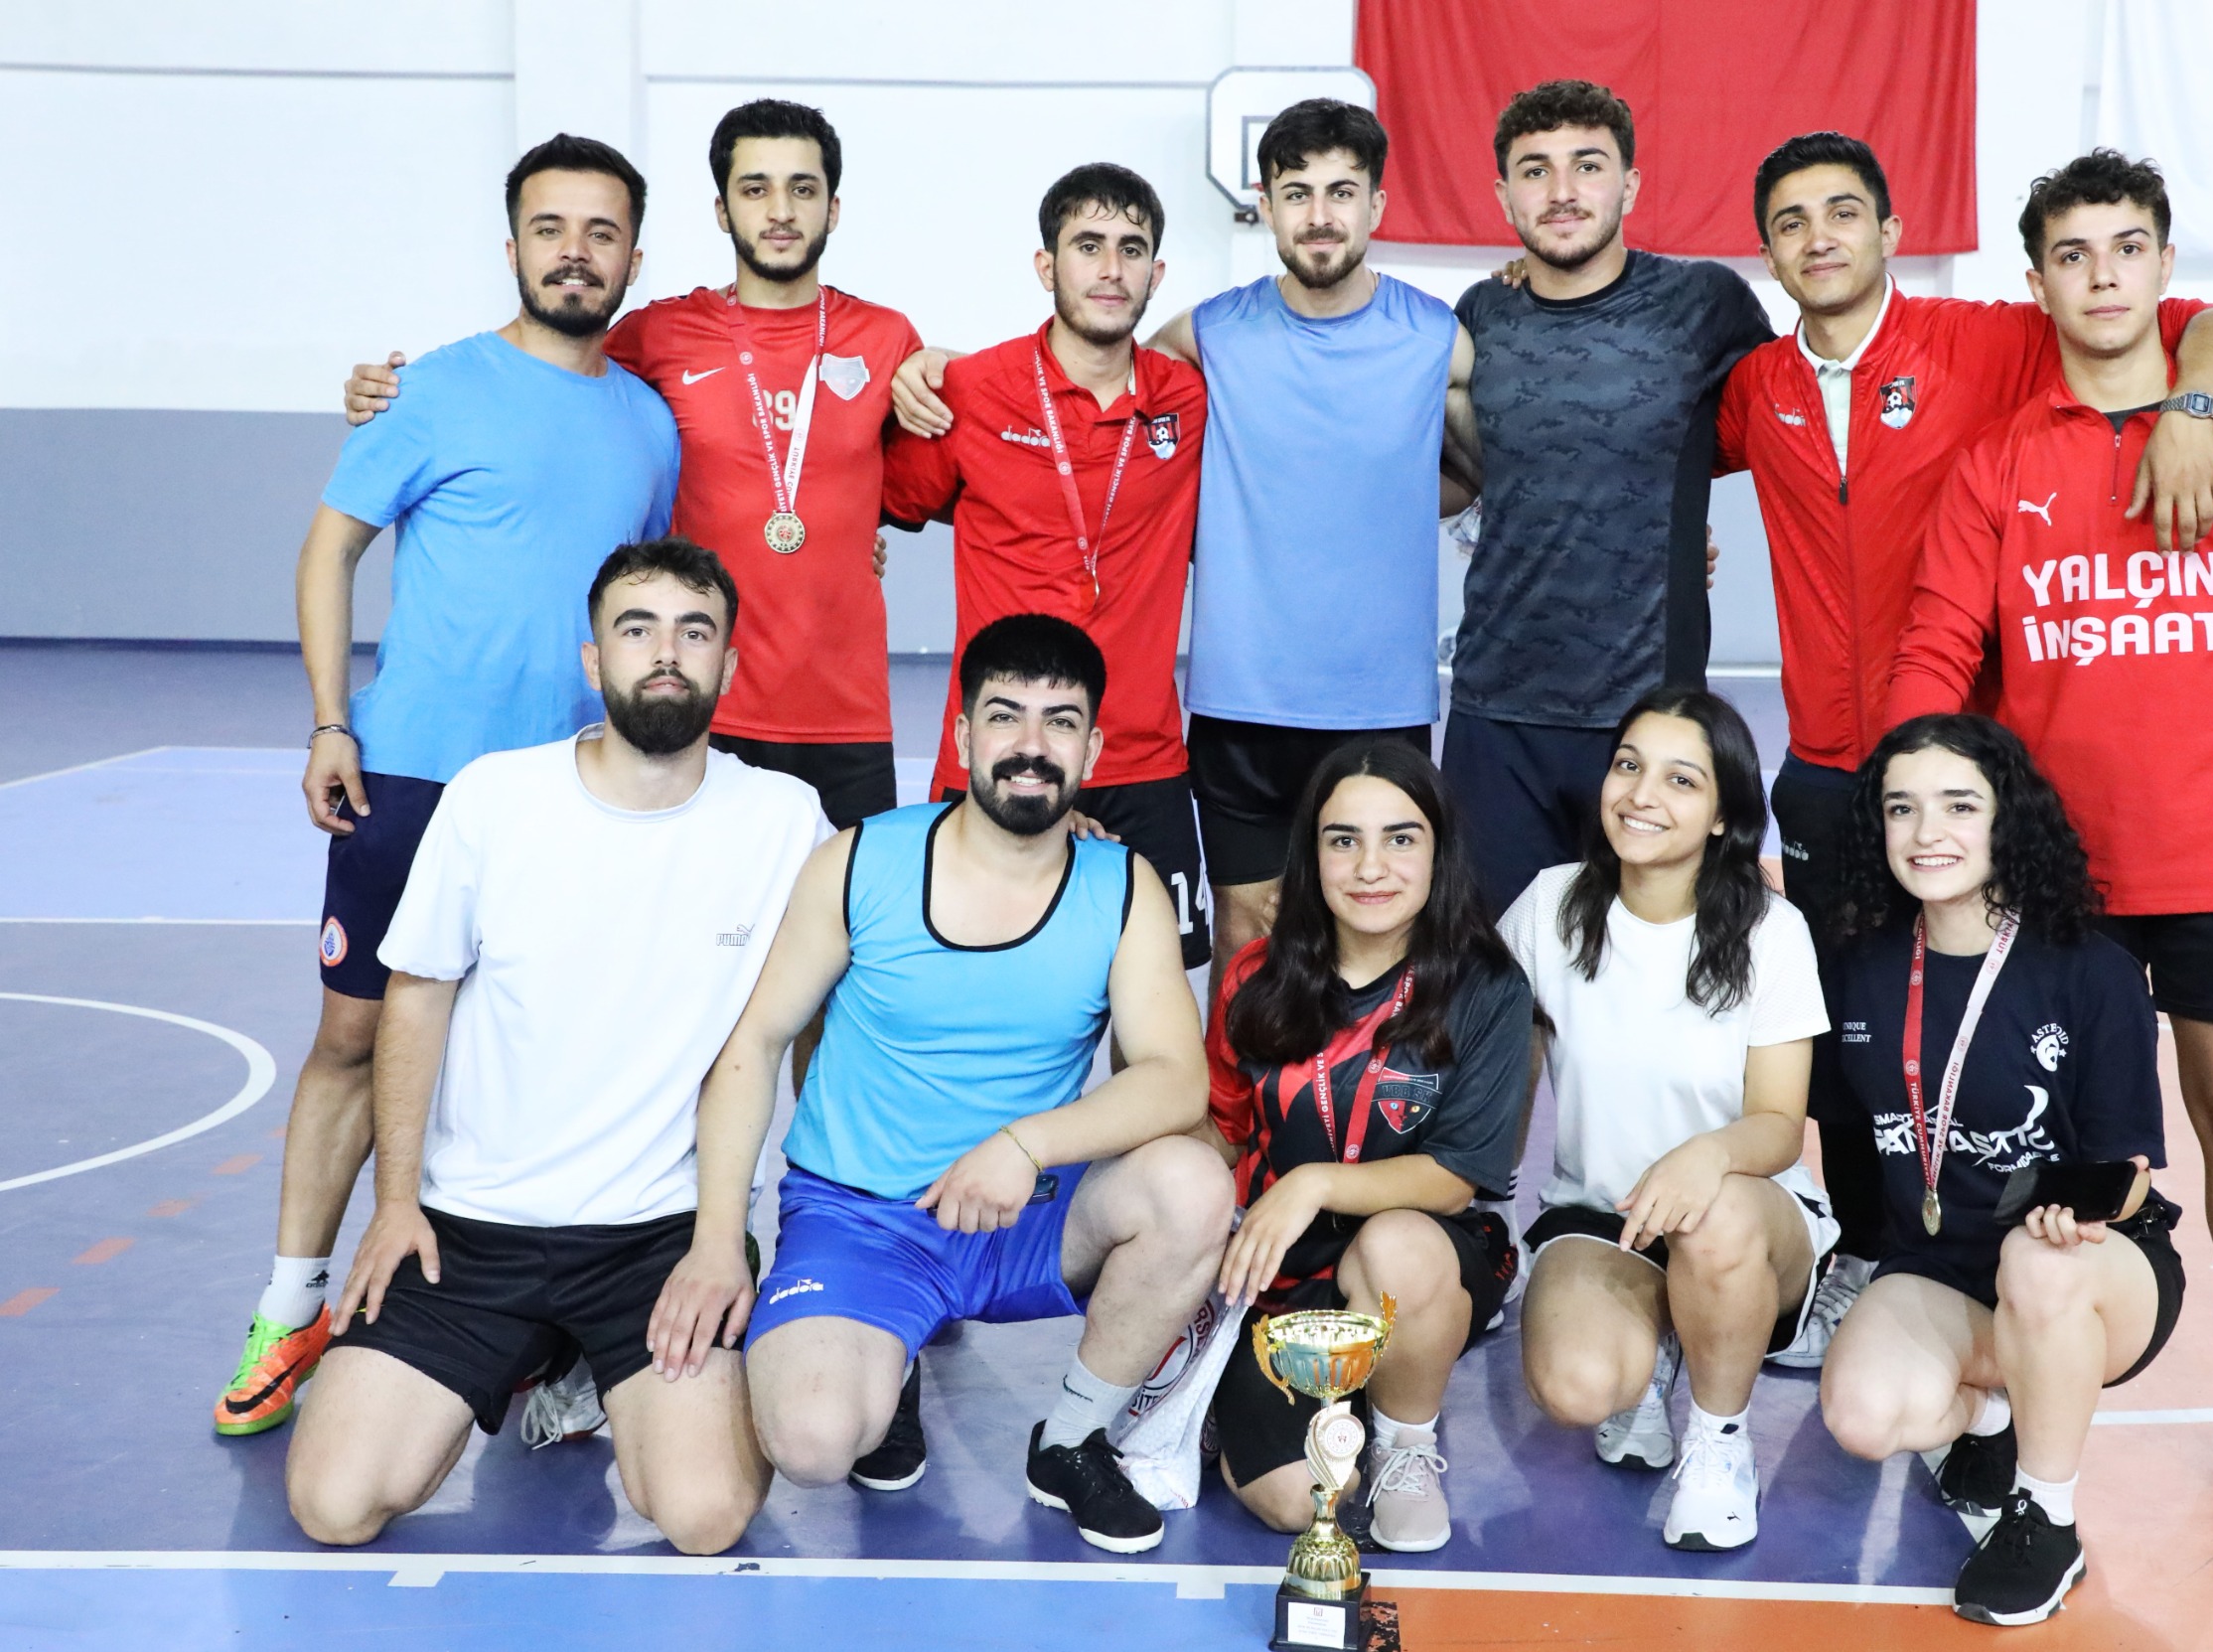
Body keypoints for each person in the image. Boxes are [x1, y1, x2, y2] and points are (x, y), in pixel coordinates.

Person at [1887, 151, 2213, 1520]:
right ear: (2037, 279)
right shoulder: (2001, 460)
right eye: (2073, 253)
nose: (2102, 275)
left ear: (2165, 265)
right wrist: (1911, 782)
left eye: (2126, 248)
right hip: (2062, 875)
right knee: (2046, 1148)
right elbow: (1940, 636)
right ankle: (2013, 1390)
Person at [1713, 131, 2213, 1368]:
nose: (1819, 237)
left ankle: (2019, 1258)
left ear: (1890, 230)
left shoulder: (1983, 340)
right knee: (1847, 1022)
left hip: (1963, 766)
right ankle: (1865, 1246)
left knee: (1981, 1012)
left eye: (1842, 211)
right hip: (1827, 765)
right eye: (1791, 221)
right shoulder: (1756, 387)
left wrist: (2189, 407)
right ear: (1768, 252)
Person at [217, 135, 679, 1440]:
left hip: (570, 792)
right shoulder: (430, 391)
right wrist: (329, 720)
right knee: (353, 1036)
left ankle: (536, 1334)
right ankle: (291, 1305)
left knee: (540, 1053)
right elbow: (329, 550)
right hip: (416, 774)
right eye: (551, 227)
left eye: (601, 231)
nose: (575, 252)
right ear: (515, 245)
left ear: (634, 257)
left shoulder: (649, 422)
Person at [647, 614, 1234, 1555]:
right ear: (961, 735)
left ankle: (1072, 1438)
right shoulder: (861, 860)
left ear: (1093, 748)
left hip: (1025, 1209)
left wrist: (1023, 1144)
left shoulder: (1123, 887)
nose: (1031, 746)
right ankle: (890, 1352)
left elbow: (1174, 1080)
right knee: (813, 1441)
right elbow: (755, 1042)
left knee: (1194, 1185)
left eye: (1060, 722)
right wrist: (719, 1239)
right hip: (864, 1219)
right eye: (1005, 716)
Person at [284, 538, 824, 1556]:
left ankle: (589, 1361)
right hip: (472, 1229)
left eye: (694, 631)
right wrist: (395, 1202)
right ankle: (531, 1355)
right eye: (637, 628)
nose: (665, 652)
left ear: (728, 662)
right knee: (334, 1502)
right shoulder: (496, 797)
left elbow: (857, 960)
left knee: (707, 1513)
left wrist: (724, 1240)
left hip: (656, 1237)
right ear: (593, 658)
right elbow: (415, 998)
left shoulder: (784, 821)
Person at [900, 99, 1468, 987]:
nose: (1320, 214)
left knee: (1357, 938)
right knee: (1207, 944)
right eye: (1298, 192)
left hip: (1302, 717)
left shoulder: (1423, 340)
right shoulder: (1186, 349)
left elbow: (1480, 465)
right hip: (1188, 714)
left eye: (1342, 191)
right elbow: (896, 492)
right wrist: (918, 364)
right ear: (1265, 205)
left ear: (1377, 206)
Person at [345, 99, 922, 830]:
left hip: (846, 714)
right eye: (755, 188)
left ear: (833, 209)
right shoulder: (656, 335)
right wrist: (392, 389)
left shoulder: (888, 339)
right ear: (722, 210)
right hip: (695, 703)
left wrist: (940, 369)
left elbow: (921, 456)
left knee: (849, 902)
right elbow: (544, 365)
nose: (780, 210)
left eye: (802, 189)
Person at [1816, 714, 2185, 1627]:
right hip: (1939, 1264)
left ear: (2005, 818)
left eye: (1958, 805)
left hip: (2094, 1267)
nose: (1927, 832)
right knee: (1863, 1416)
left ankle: (2045, 1520)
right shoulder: (1861, 967)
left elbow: (2129, 1169)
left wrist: (2077, 1216)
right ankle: (1993, 1415)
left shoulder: (2090, 970)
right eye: (1901, 808)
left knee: (2038, 1264)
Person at [1498, 686, 1835, 1553]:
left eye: (1681, 780)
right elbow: (1501, 1068)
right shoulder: (1550, 905)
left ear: (1723, 815)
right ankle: (1655, 1347)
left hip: (1747, 1214)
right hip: (1603, 1211)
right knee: (1577, 1385)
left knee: (1713, 1218)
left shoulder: (1772, 930)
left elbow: (1779, 1125)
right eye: (1628, 765)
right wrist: (1486, 1202)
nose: (1642, 795)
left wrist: (1705, 1156)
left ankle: (1719, 1442)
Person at [1446, 81, 1775, 915]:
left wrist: (1675, 521)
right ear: (1504, 197)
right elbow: (1472, 474)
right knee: (1494, 965)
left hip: (1646, 716)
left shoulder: (1704, 304)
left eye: (1587, 166)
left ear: (1629, 184)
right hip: (1496, 712)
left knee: (1645, 957)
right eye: (1536, 171)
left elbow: (1787, 429)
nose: (1561, 191)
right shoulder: (1482, 312)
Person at [879, 163, 1213, 972]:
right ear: (1045, 265)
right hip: (1000, 752)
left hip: (1141, 758)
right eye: (1088, 245)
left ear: (1157, 272)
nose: (1111, 268)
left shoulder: (1190, 402)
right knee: (978, 981)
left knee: (1158, 997)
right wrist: (902, 380)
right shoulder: (971, 391)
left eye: (1131, 249)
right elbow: (872, 500)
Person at [1205, 739, 1532, 1553]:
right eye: (1343, 839)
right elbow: (1221, 1129)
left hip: (1425, 1254)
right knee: (1302, 1496)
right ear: (1310, 855)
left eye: (1400, 838)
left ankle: (1404, 1443)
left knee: (1398, 1249)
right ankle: (1232, 1395)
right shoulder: (1256, 975)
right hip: (1282, 1282)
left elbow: (1456, 1177)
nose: (1370, 867)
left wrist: (1313, 1182)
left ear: (1439, 851)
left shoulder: (1486, 986)